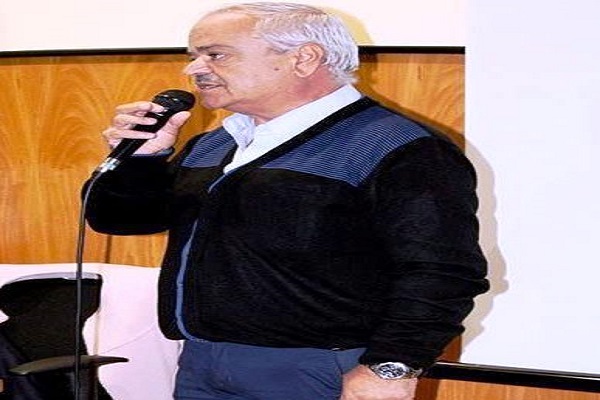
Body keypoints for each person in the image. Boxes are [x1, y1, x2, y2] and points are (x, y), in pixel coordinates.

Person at [84, 2, 489, 399]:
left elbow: (443, 272)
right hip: (202, 363)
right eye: (194, 57)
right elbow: (120, 219)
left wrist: (391, 366)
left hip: (323, 370)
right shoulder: (215, 143)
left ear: (304, 58)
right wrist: (142, 161)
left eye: (215, 55)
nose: (193, 70)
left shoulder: (398, 147)